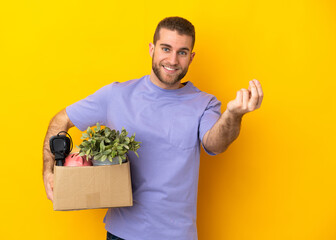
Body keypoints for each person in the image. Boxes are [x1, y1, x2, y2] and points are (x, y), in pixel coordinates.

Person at [43, 16, 263, 240]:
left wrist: (233, 115)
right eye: (166, 48)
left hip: (178, 235)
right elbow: (61, 120)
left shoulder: (204, 103)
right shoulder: (116, 95)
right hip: (122, 234)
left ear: (191, 57)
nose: (173, 59)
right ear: (152, 49)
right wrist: (49, 171)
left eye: (182, 52)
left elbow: (215, 143)